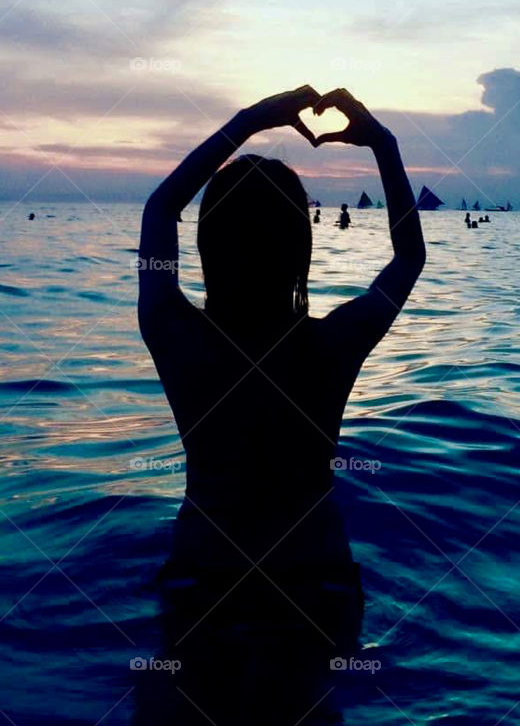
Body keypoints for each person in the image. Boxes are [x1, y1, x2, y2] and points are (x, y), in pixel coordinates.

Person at [136, 86, 425, 718]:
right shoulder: (332, 345)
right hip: (313, 588)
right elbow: (409, 258)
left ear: (209, 247)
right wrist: (384, 142)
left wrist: (251, 121)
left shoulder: (174, 332)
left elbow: (159, 210)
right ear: (302, 249)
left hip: (203, 584)